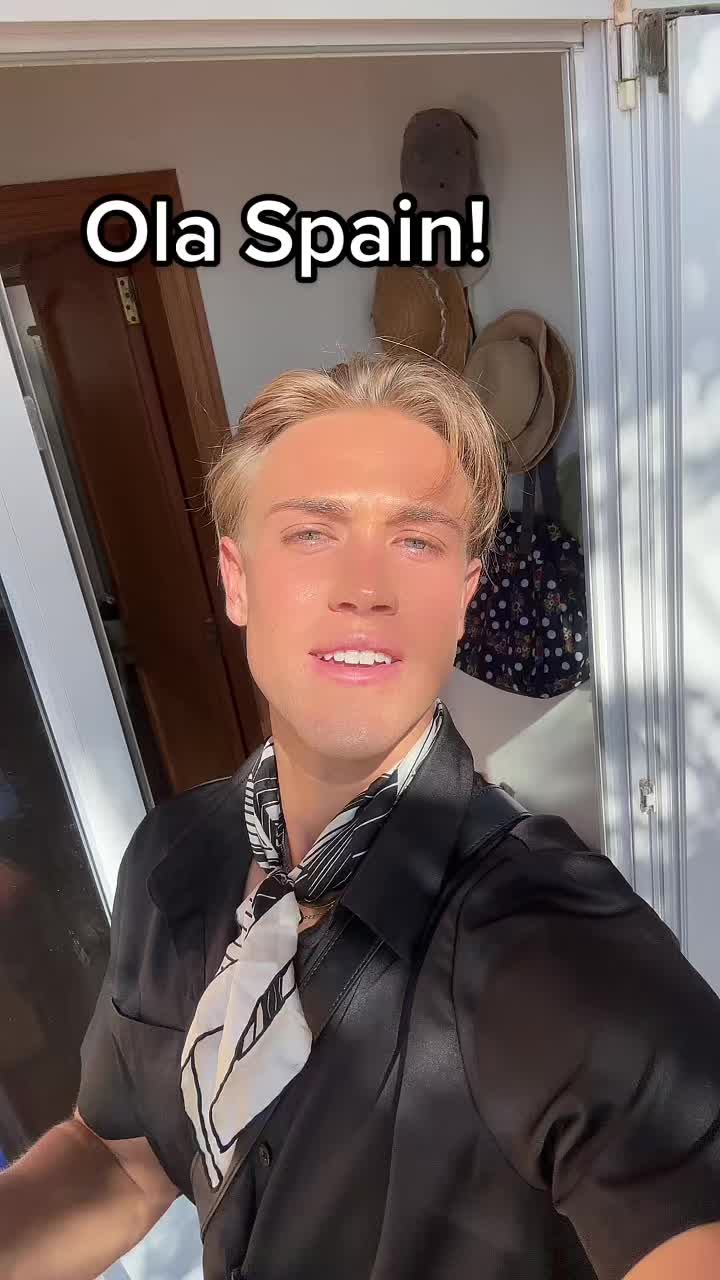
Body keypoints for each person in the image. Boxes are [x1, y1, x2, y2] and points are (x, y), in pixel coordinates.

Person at [1, 352, 719, 1280]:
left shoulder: (548, 935)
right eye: (312, 534)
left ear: (462, 600)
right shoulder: (172, 860)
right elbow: (119, 1162)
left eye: (416, 542)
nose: (365, 587)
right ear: (237, 580)